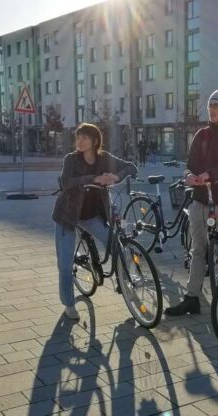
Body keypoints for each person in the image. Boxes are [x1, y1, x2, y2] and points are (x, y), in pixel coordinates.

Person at [164, 85, 218, 317]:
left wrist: (211, 174)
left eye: (217, 106)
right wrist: (189, 175)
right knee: (197, 249)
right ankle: (192, 298)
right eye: (211, 105)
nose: (212, 109)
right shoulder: (202, 134)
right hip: (200, 200)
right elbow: (190, 163)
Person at [53, 123, 137, 320]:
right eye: (78, 137)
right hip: (67, 217)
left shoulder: (104, 158)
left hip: (91, 216)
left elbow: (130, 167)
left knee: (116, 244)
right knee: (65, 265)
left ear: (95, 141)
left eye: (84, 137)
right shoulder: (71, 159)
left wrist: (115, 176)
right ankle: (69, 304)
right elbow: (66, 182)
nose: (79, 141)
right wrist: (95, 177)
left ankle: (125, 282)